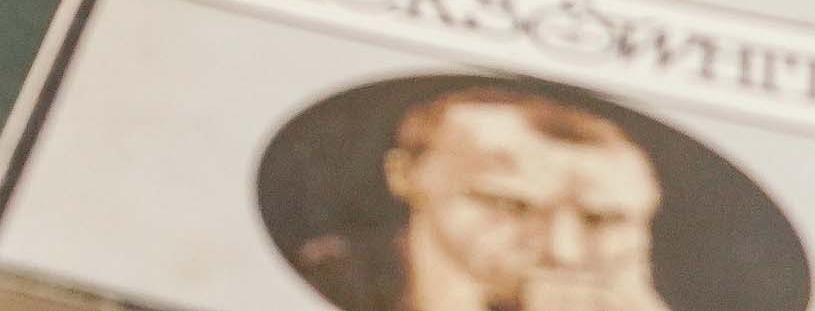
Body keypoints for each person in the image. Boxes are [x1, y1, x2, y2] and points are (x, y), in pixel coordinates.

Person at [286, 88, 677, 311]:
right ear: (405, 176)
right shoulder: (323, 280)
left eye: (603, 219)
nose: (563, 252)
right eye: (510, 205)